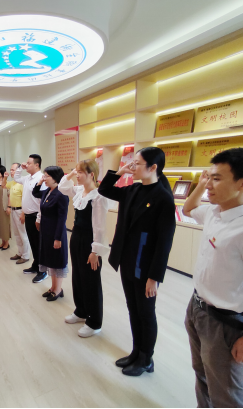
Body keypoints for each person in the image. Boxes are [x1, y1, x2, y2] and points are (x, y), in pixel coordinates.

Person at [182, 148, 243, 408]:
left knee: (226, 392)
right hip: (197, 308)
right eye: (209, 177)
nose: (209, 184)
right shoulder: (215, 211)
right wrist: (201, 184)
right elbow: (188, 209)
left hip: (225, 323)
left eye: (216, 179)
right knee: (202, 375)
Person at [98, 147, 176, 376]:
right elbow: (104, 189)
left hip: (146, 265)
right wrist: (120, 171)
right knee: (133, 309)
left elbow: (164, 243)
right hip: (127, 259)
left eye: (137, 163)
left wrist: (154, 277)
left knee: (146, 312)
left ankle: (146, 358)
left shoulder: (163, 198)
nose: (133, 167)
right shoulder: (133, 189)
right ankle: (136, 352)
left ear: (153, 167)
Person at [58, 159, 110, 337]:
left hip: (90, 240)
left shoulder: (98, 196)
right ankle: (81, 311)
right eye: (76, 171)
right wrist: (72, 173)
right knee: (78, 276)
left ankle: (94, 322)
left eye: (80, 172)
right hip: (76, 236)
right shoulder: (79, 190)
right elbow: (62, 187)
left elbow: (100, 228)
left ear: (91, 175)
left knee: (91, 280)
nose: (77, 175)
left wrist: (95, 251)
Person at [33, 166, 69, 301]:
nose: (44, 178)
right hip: (46, 232)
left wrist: (57, 238)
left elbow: (62, 218)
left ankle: (58, 289)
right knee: (51, 260)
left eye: (47, 176)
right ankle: (53, 287)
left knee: (57, 261)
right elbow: (35, 192)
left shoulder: (61, 193)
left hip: (56, 233)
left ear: (55, 178)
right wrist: (40, 182)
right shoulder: (48, 191)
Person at [14, 154, 48, 283]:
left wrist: (39, 218)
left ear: (37, 165)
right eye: (26, 163)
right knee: (33, 243)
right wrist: (20, 168)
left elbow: (41, 201)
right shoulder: (27, 178)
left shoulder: (41, 178)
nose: (26, 165)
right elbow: (16, 178)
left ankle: (42, 271)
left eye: (29, 163)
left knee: (39, 244)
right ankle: (36, 265)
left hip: (36, 216)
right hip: (28, 216)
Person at [6, 163, 30, 265]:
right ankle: (20, 253)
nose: (11, 172)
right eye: (11, 170)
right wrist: (5, 177)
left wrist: (23, 213)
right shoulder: (12, 183)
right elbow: (3, 185)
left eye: (13, 170)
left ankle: (26, 256)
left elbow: (26, 200)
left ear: (18, 171)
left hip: (20, 211)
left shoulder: (22, 183)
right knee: (16, 234)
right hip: (13, 210)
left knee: (23, 234)